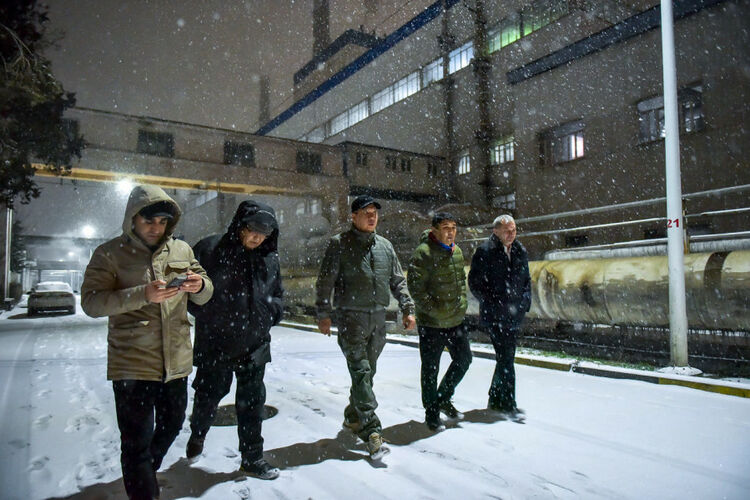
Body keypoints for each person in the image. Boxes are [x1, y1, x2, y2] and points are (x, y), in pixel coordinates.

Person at [81, 185, 213, 500]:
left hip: (175, 362)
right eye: (148, 221)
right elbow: (91, 302)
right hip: (132, 364)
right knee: (136, 441)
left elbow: (206, 290)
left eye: (162, 222)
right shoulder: (110, 253)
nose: (156, 228)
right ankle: (143, 485)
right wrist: (143, 294)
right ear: (133, 219)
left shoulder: (182, 250)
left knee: (173, 423)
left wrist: (199, 286)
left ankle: (141, 473)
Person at [185, 200, 283, 480]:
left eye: (265, 232)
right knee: (209, 395)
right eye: (253, 229)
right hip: (217, 342)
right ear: (241, 225)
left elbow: (277, 294)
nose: (258, 237)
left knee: (253, 403)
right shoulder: (210, 249)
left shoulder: (269, 258)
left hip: (255, 344)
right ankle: (198, 433)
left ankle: (252, 458)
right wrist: (216, 317)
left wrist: (272, 314)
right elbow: (189, 295)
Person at [315, 194, 416, 458]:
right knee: (361, 372)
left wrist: (408, 307)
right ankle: (372, 432)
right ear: (353, 216)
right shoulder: (339, 244)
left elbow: (398, 280)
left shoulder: (385, 246)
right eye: (366, 213)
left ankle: (352, 418)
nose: (372, 217)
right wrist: (323, 313)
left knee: (367, 374)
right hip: (351, 319)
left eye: (374, 213)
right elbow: (325, 282)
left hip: (378, 320)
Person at [407, 212, 472, 431]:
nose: (451, 232)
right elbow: (416, 288)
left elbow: (461, 282)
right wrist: (434, 310)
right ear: (434, 230)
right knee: (430, 369)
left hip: (455, 321)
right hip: (431, 324)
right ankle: (432, 412)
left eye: (453, 227)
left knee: (464, 359)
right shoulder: (423, 253)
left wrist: (461, 304)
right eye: (446, 227)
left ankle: (443, 397)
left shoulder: (457, 252)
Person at [468, 214, 531, 414]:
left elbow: (526, 280)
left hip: (514, 314)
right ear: (496, 231)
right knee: (506, 356)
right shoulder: (485, 251)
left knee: (505, 357)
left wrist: (524, 303)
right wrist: (493, 301)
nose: (511, 234)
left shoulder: (520, 250)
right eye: (507, 231)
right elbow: (474, 283)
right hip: (495, 315)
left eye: (514, 230)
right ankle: (508, 401)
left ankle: (495, 397)